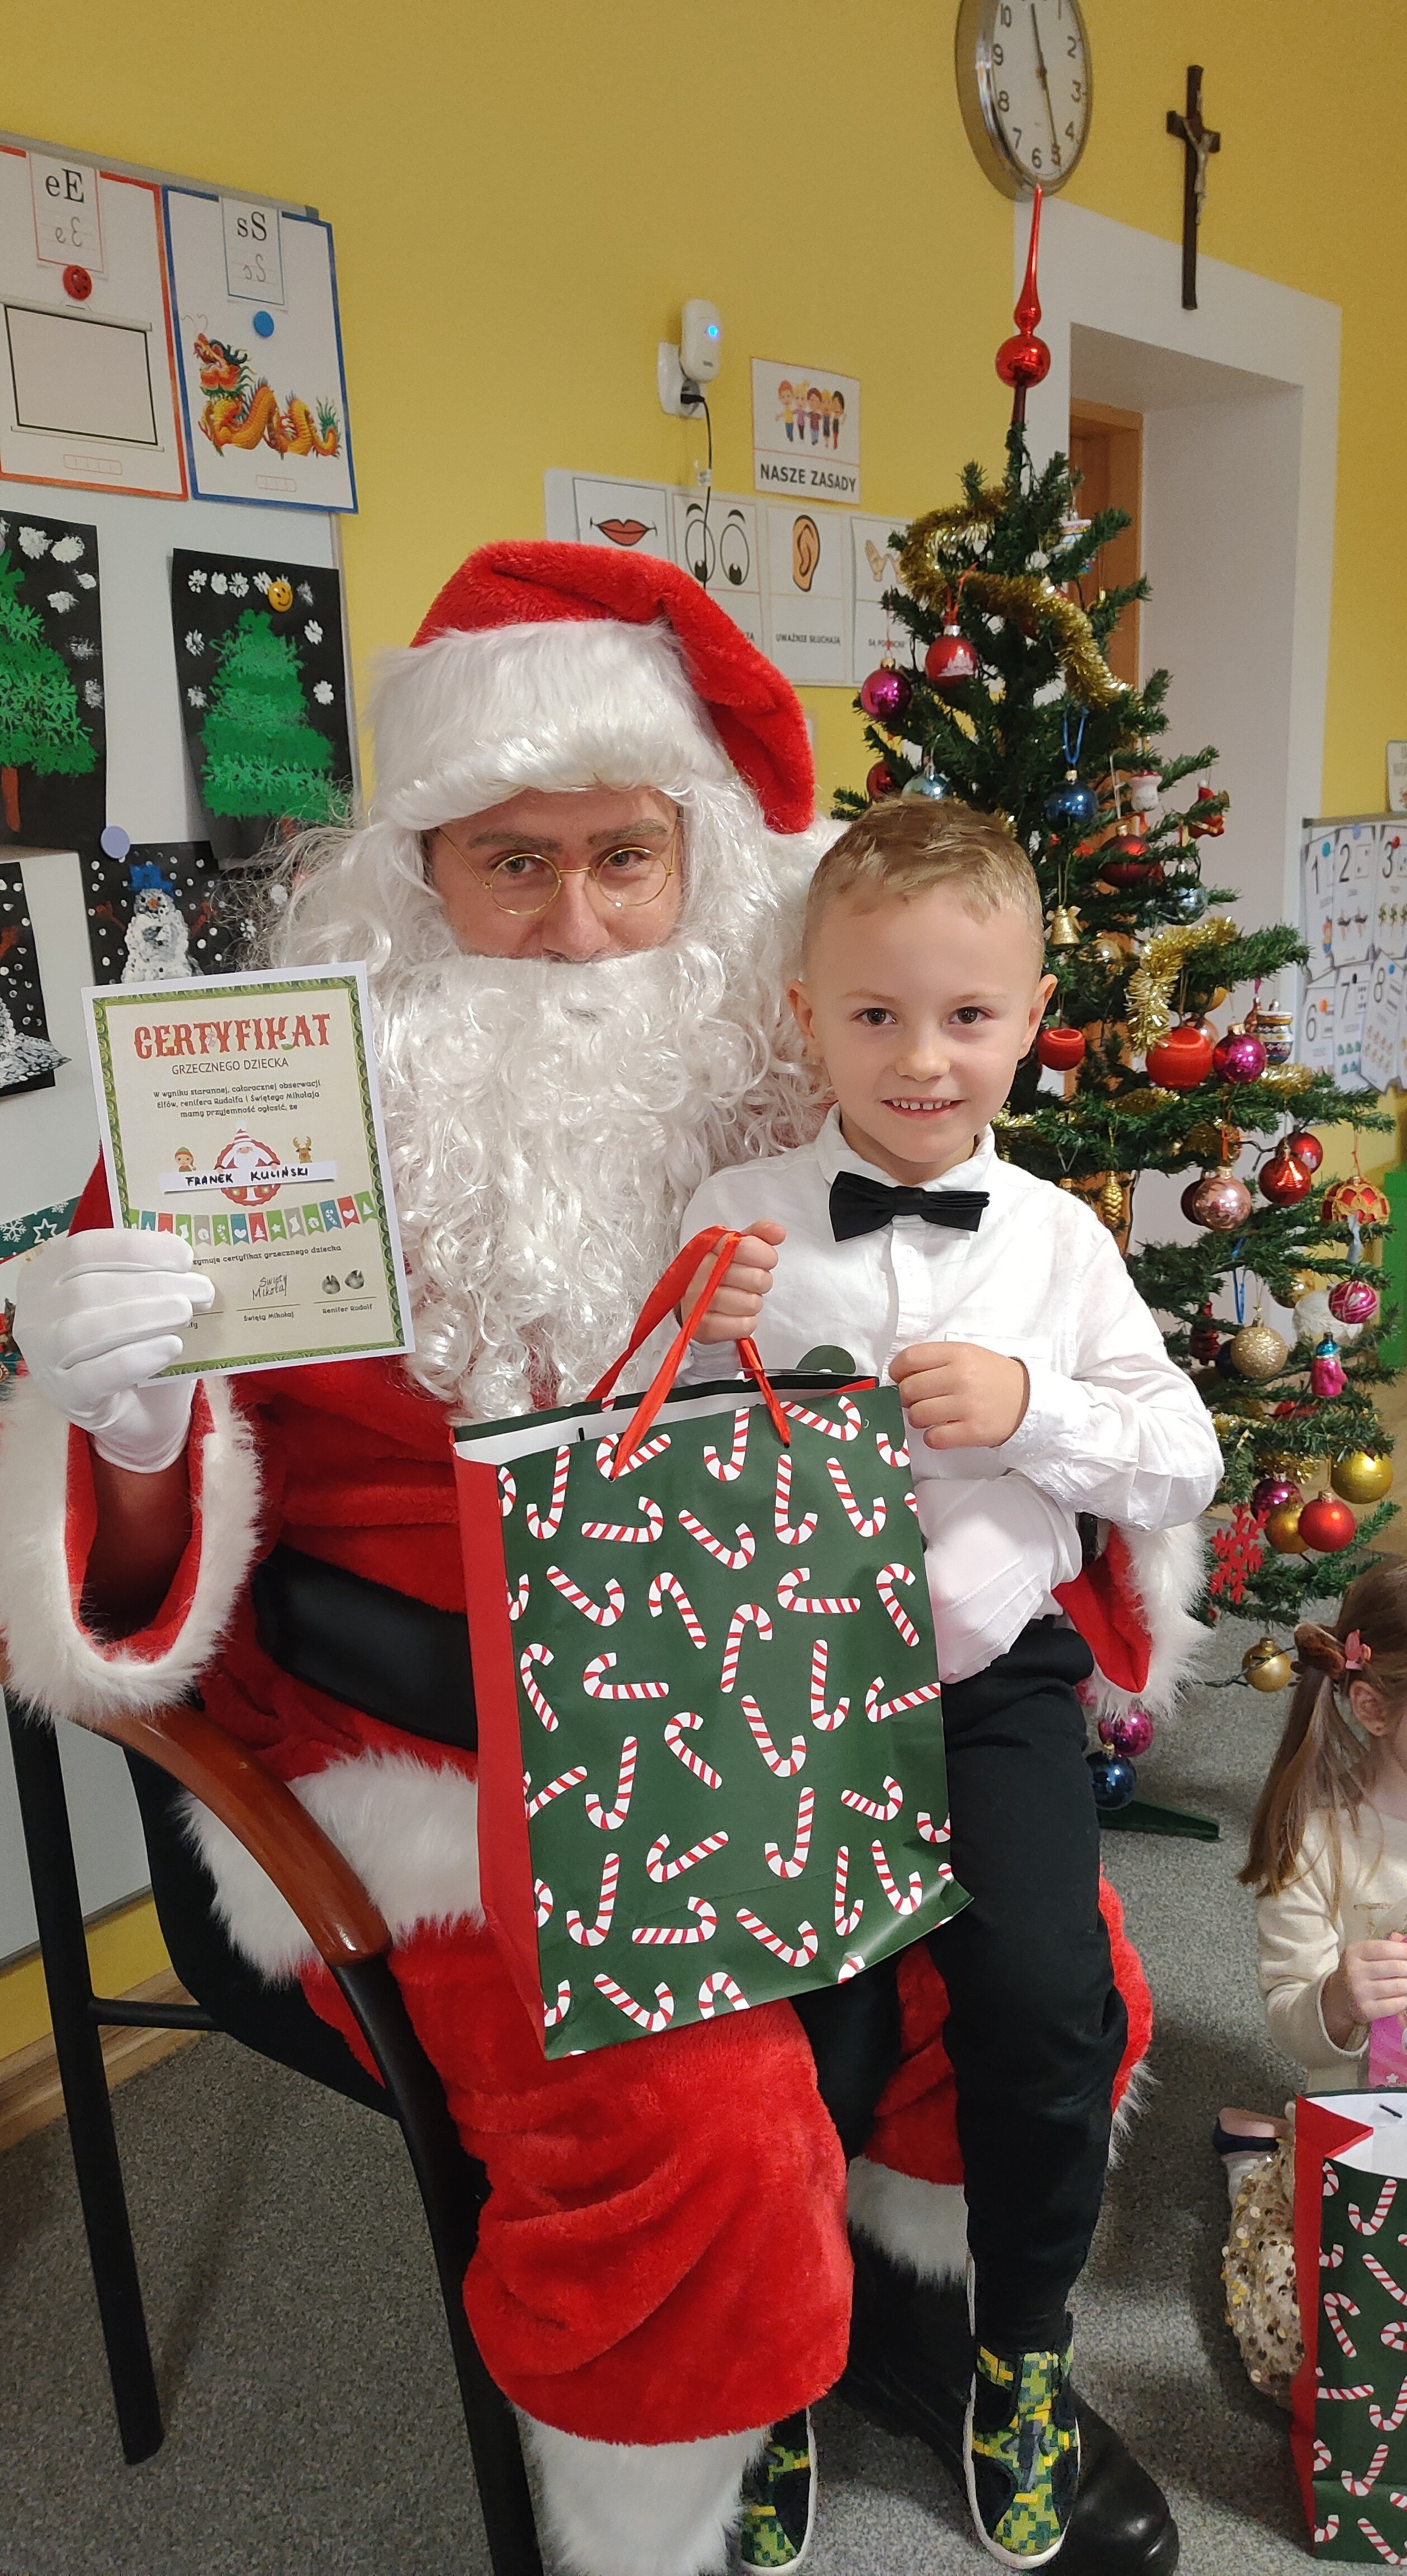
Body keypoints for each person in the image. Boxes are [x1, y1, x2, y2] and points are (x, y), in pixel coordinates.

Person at [1, 545, 1175, 2576]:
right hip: (439, 1744)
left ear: (703, 857)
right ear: (415, 873)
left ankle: (922, 2316)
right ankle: (672, 2494)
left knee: (1057, 1977)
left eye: (626, 857)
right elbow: (124, 1582)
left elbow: (1025, 1333)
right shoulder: (266, 1112)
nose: (574, 926)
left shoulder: (807, 1063)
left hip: (793, 1680)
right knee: (698, 2121)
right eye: (509, 863)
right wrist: (113, 1424)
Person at [681, 799, 1223, 2567]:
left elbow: (1185, 1460)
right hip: (787, 1685)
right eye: (877, 1015)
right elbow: (644, 1466)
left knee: (1049, 2004)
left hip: (993, 1683)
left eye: (969, 1016)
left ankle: (1021, 2351)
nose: (923, 1059)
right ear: (806, 1016)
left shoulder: (1059, 1240)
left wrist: (1035, 1413)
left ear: (1034, 1016)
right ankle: (774, 2373)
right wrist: (689, 1347)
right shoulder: (736, 1219)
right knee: (792, 2046)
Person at [1216, 1553, 1407, 2409]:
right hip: (1361, 2146)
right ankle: (1253, 2171)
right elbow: (1289, 2015)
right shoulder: (1316, 1843)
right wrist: (1339, 2000)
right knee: (1302, 2361)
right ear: (1374, 1708)